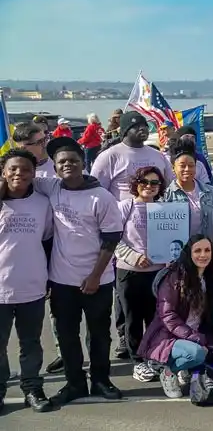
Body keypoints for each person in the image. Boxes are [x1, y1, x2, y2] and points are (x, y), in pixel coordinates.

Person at [37, 137, 125, 404]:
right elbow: (19, 175)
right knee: (67, 335)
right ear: (54, 167)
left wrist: (95, 276)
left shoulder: (101, 197)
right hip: (62, 280)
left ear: (83, 163)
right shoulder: (51, 187)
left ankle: (100, 380)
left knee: (99, 334)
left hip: (97, 279)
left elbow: (112, 239)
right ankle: (74, 383)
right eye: (61, 162)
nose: (67, 165)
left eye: (73, 160)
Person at [0, 150, 55, 413]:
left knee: (30, 343)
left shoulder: (42, 203)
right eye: (12, 169)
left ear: (34, 174)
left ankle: (32, 388)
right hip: (0, 288)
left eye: (24, 169)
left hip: (32, 286)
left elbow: (46, 241)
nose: (18, 174)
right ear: (3, 172)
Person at [136, 234, 213, 398]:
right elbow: (168, 315)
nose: (203, 255)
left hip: (192, 333)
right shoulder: (174, 276)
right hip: (167, 335)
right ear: (189, 253)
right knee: (197, 353)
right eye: (198, 251)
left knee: (211, 351)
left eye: (207, 250)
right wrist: (194, 338)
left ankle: (182, 367)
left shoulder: (208, 278)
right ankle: (168, 372)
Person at [113, 166, 169, 384]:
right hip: (130, 272)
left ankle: (154, 357)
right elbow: (111, 239)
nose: (149, 186)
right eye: (144, 182)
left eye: (154, 183)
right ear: (136, 183)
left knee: (155, 318)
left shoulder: (164, 209)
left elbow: (172, 239)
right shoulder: (125, 207)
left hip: (157, 273)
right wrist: (133, 256)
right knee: (132, 319)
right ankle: (138, 360)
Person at [91, 112, 173, 201]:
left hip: (155, 212)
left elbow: (169, 184)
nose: (142, 128)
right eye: (136, 126)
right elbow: (97, 191)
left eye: (145, 125)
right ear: (125, 130)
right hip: (121, 213)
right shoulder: (109, 156)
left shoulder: (158, 155)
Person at [162, 140, 213, 243]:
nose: (187, 169)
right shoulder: (165, 196)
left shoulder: (210, 192)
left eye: (191, 165)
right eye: (182, 165)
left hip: (206, 251)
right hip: (180, 252)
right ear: (173, 168)